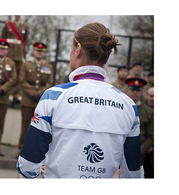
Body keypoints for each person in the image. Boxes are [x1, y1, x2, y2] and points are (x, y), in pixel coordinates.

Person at [17, 22, 144, 178]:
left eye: (71, 48)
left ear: (77, 49)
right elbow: (134, 174)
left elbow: (27, 166)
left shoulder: (53, 96)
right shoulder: (128, 104)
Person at [18, 42, 53, 153]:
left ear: (44, 53)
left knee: (40, 126)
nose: (39, 53)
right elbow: (22, 80)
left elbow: (50, 82)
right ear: (33, 52)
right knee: (25, 126)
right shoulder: (26, 64)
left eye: (41, 51)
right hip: (28, 99)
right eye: (37, 51)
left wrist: (40, 93)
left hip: (41, 100)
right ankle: (22, 148)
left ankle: (35, 151)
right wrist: (32, 92)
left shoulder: (48, 66)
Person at [125, 78, 154, 178]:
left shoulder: (149, 112)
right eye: (132, 89)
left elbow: (151, 136)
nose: (135, 93)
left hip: (140, 154)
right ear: (127, 90)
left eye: (138, 90)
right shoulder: (121, 108)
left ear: (142, 93)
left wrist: (139, 150)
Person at [1, 15, 29, 106]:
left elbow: (25, 40)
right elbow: (3, 38)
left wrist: (23, 52)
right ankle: (4, 91)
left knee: (17, 74)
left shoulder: (24, 25)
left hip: (18, 53)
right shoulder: (8, 24)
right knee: (6, 73)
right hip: (9, 52)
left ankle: (15, 94)